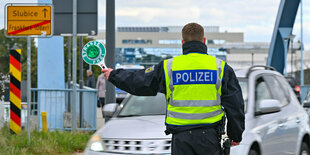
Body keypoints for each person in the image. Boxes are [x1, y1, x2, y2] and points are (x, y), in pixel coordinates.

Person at [102, 23, 245, 155]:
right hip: (209, 138)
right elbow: (235, 104)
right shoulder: (221, 68)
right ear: (204, 41)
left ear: (182, 42)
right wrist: (235, 135)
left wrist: (113, 75)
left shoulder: (168, 67)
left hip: (181, 139)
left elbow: (139, 82)